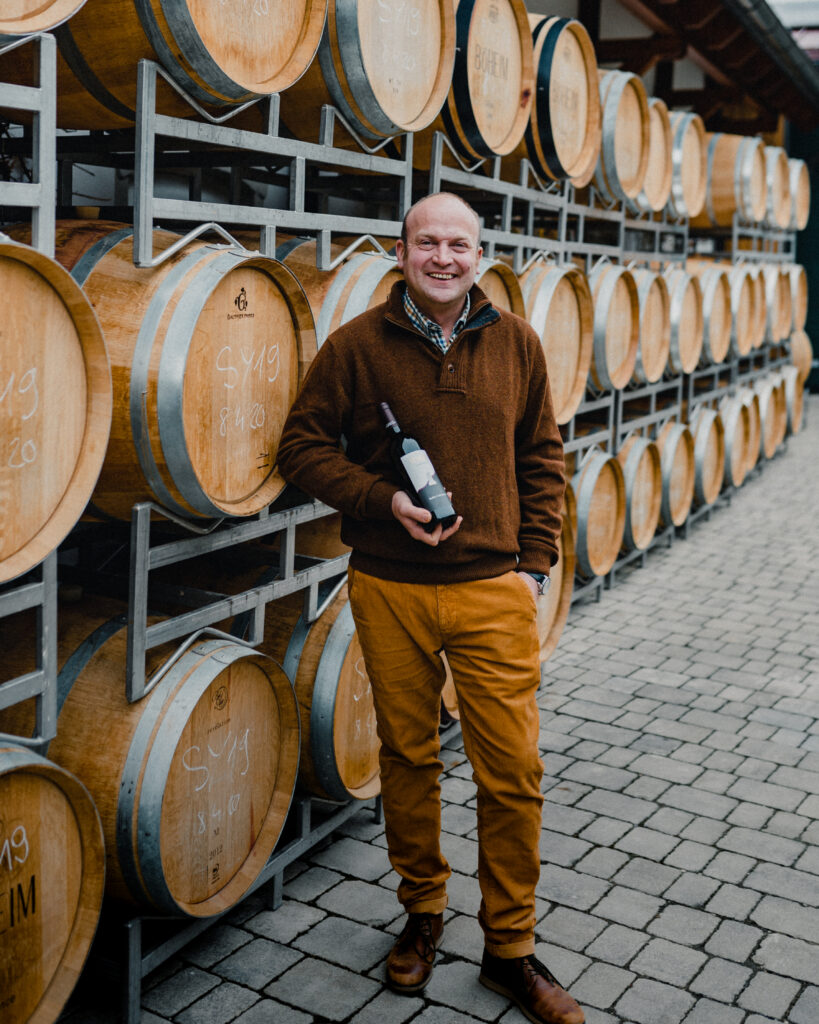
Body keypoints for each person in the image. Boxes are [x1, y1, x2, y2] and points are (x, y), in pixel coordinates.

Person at [276, 192, 584, 1024]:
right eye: (427, 243)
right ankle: (420, 916)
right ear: (401, 251)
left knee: (511, 773)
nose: (443, 257)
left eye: (458, 244)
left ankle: (510, 949)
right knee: (406, 759)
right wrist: (380, 500)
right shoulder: (355, 347)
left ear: (479, 254)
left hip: (491, 591)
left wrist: (532, 568)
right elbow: (300, 446)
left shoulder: (515, 341)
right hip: (390, 587)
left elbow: (543, 458)